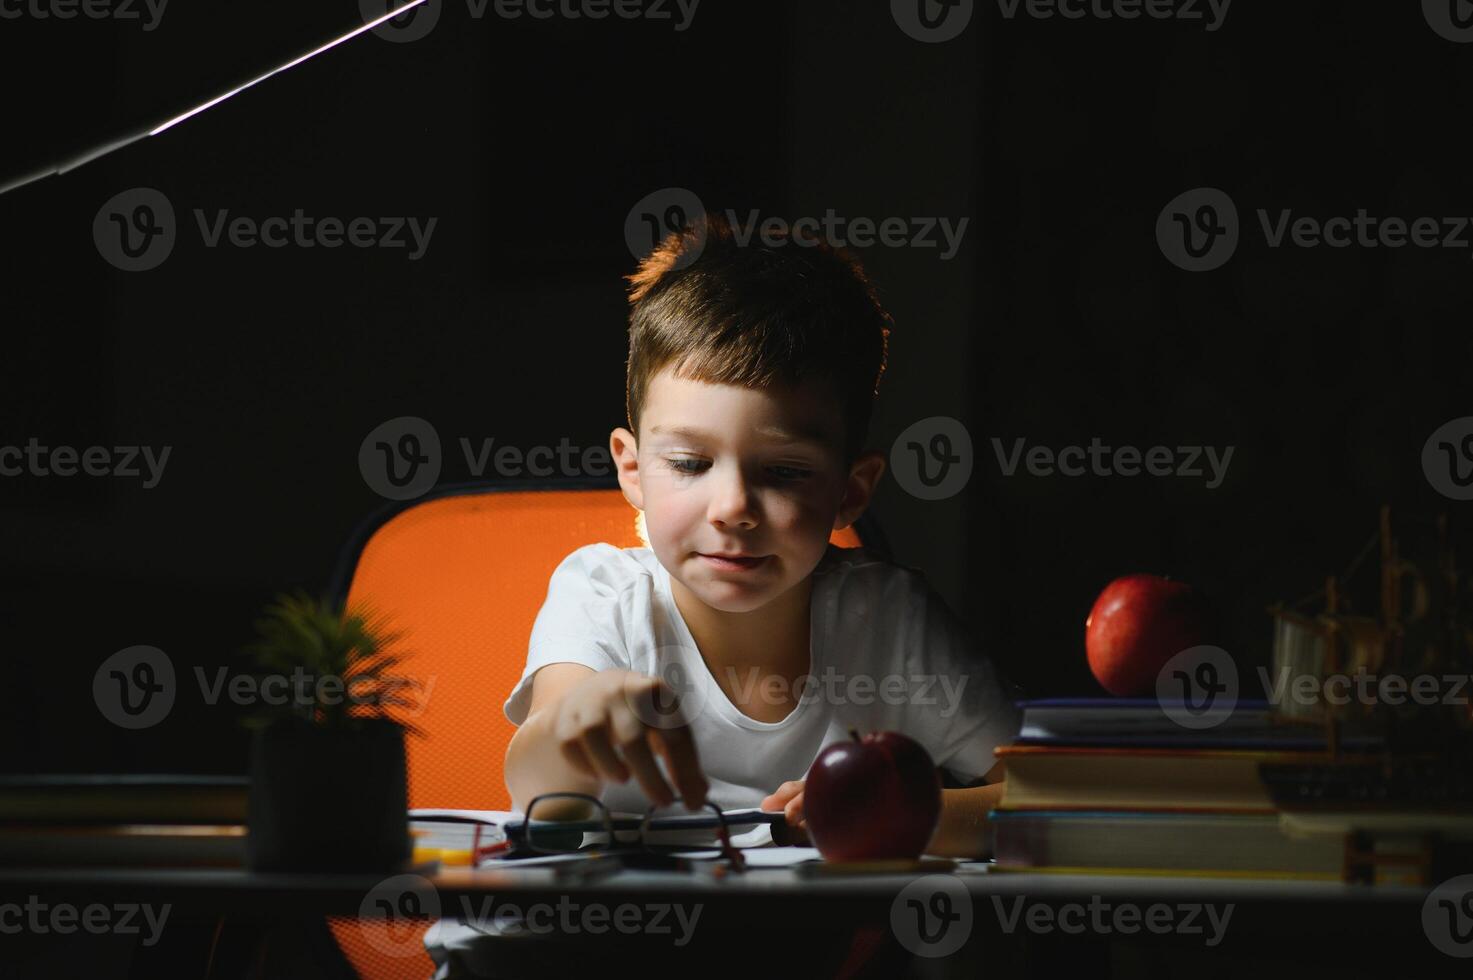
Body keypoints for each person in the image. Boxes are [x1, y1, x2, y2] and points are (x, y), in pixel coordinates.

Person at [425, 212, 1023, 978]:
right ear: (632, 469)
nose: (731, 507)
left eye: (783, 472)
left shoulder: (892, 624)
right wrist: (573, 725)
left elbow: (1041, 799)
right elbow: (538, 778)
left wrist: (903, 819)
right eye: (689, 462)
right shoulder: (601, 596)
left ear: (850, 490)